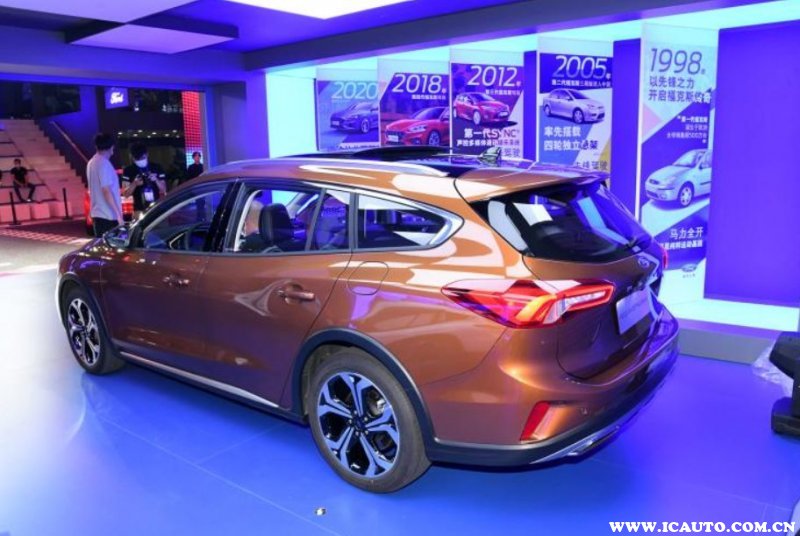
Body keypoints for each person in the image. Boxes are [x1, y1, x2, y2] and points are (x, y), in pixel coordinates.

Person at [86, 133, 122, 236]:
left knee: (101, 243)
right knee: (111, 244)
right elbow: (106, 190)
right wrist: (118, 215)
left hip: (97, 214)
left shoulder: (91, 163)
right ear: (111, 147)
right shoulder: (104, 163)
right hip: (108, 216)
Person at [121, 143, 166, 214]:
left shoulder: (156, 167)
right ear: (132, 158)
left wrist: (156, 180)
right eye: (137, 159)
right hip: (139, 209)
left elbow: (163, 189)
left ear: (147, 154)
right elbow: (126, 194)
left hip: (156, 207)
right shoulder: (128, 170)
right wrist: (134, 184)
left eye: (142, 158)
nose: (140, 161)